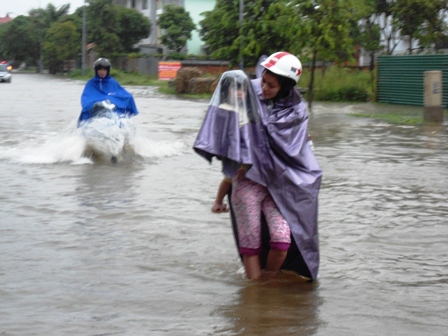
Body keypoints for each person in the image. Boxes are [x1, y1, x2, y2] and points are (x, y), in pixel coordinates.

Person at [195, 55, 322, 281]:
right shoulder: (248, 92)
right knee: (251, 243)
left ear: (286, 87)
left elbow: (295, 147)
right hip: (248, 182)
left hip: (277, 185)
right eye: (263, 81)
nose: (263, 88)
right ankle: (256, 292)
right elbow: (228, 100)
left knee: (282, 241)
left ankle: (269, 282)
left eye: (271, 85)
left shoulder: (297, 110)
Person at [77, 57, 138, 127]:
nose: (102, 72)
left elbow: (122, 94)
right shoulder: (91, 83)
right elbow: (86, 98)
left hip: (111, 110)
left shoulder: (112, 82)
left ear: (107, 70)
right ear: (96, 70)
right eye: (100, 69)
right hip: (95, 111)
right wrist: (96, 103)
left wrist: (111, 100)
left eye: (104, 70)